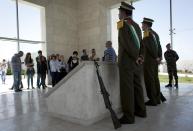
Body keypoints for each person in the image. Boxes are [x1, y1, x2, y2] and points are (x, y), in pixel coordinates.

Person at [117, 2, 146, 124]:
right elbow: (141, 44)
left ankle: (129, 116)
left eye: (119, 12)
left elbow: (127, 44)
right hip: (137, 62)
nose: (118, 14)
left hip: (127, 62)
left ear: (123, 13)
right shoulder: (137, 26)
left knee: (127, 89)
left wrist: (135, 57)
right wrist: (140, 57)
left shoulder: (122, 24)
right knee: (137, 86)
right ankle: (141, 111)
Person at [141, 18, 166, 106]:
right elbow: (159, 47)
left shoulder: (146, 33)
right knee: (155, 79)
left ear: (146, 25)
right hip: (155, 61)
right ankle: (157, 99)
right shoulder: (155, 34)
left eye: (143, 24)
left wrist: (156, 57)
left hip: (149, 61)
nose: (142, 26)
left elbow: (150, 47)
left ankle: (153, 100)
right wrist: (159, 57)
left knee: (149, 80)